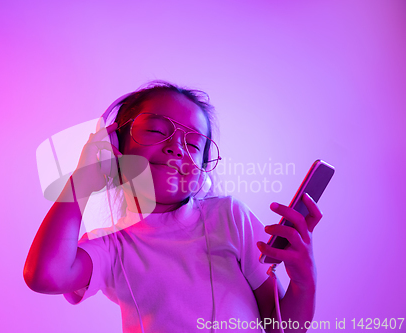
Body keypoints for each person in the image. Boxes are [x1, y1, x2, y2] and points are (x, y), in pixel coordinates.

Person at [24, 81, 322, 333]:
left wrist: (303, 279)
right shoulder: (113, 247)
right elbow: (46, 275)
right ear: (115, 146)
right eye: (155, 130)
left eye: (193, 145)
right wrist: (83, 178)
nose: (177, 147)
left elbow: (281, 326)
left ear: (203, 170)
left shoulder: (230, 217)